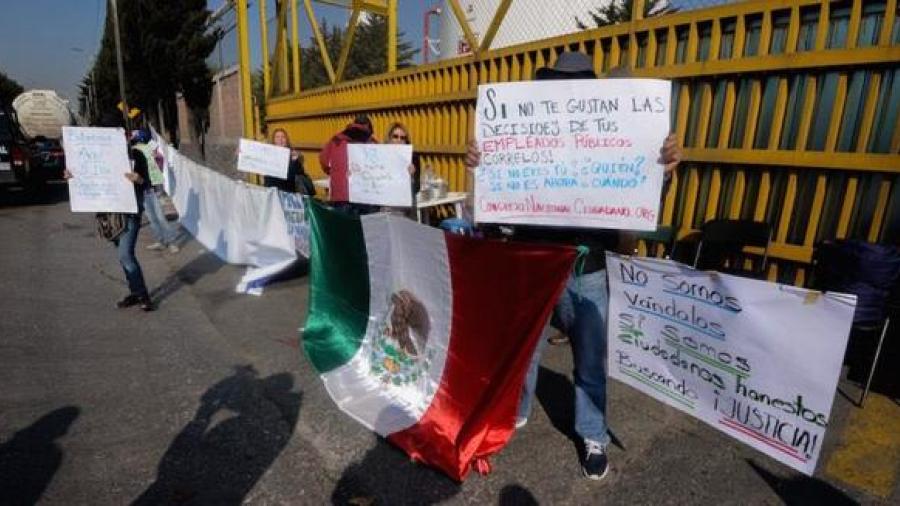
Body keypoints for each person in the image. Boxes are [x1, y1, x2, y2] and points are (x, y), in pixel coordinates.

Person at [464, 51, 681, 481]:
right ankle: (514, 412)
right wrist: (478, 168)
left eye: (577, 81)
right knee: (522, 352)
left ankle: (591, 432)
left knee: (590, 360)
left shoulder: (609, 129)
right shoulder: (528, 131)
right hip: (533, 265)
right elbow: (480, 213)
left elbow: (639, 203)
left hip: (588, 269)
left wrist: (665, 171)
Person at [65, 126, 155, 311]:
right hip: (109, 215)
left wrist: (138, 179)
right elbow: (87, 176)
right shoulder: (95, 155)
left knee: (125, 254)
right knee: (123, 257)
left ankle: (144, 296)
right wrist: (72, 177)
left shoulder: (135, 155)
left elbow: (147, 182)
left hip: (130, 212)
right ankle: (135, 292)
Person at [131, 129, 179, 254]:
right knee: (153, 218)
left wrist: (155, 157)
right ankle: (161, 240)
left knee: (159, 217)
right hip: (145, 189)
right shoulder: (141, 151)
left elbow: (158, 164)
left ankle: (171, 242)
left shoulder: (145, 151)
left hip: (152, 188)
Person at [318, 115, 378, 215]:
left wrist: (335, 173)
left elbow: (323, 160)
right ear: (369, 127)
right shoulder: (372, 143)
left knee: (342, 228)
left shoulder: (336, 139)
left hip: (340, 196)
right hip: (364, 196)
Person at [264, 128, 315, 195]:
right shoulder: (268, 155)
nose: (280, 139)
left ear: (287, 140)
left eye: (283, 137)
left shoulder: (293, 155)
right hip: (272, 193)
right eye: (277, 137)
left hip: (288, 193)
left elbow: (297, 175)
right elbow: (266, 177)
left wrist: (295, 161)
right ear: (273, 140)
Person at [384, 122, 420, 215]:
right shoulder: (380, 156)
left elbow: (417, 188)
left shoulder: (413, 158)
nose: (399, 140)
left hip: (404, 210)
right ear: (389, 138)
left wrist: (412, 177)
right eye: (395, 136)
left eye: (402, 138)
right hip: (384, 208)